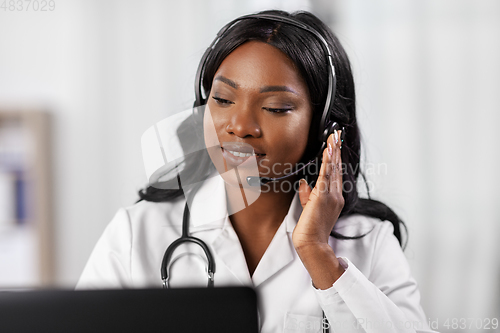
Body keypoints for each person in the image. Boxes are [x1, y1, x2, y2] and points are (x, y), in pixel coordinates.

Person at [77, 9, 436, 333]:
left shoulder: (369, 242)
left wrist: (319, 256)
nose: (240, 125)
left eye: (276, 107)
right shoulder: (135, 233)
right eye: (223, 100)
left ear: (326, 129)